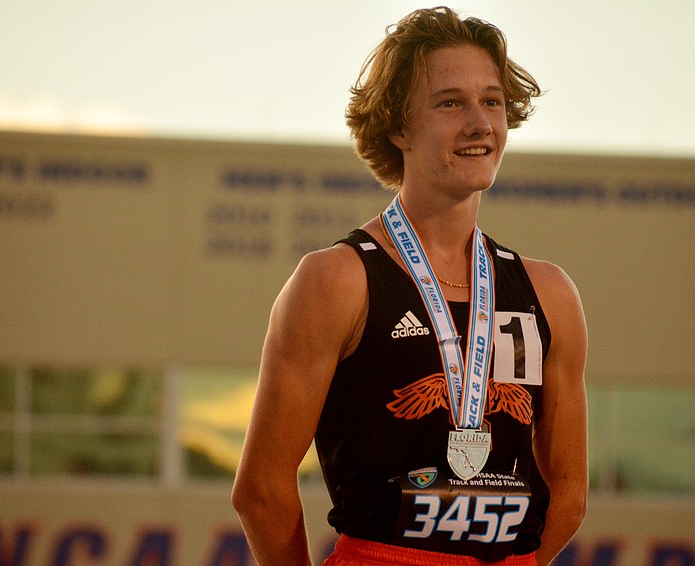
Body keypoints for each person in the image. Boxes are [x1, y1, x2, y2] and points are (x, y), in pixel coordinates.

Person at [232, 6, 588, 565]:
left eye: (491, 101)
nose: (480, 123)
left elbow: (568, 494)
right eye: (450, 103)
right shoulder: (337, 280)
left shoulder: (549, 293)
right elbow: (261, 491)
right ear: (398, 126)